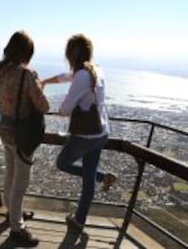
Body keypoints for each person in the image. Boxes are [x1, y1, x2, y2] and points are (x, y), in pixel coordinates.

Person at [0, 30, 49, 247]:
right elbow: (44, 106)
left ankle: (13, 213)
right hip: (23, 135)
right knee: (21, 183)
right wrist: (39, 89)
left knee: (10, 175)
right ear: (27, 52)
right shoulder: (27, 74)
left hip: (5, 131)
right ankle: (17, 229)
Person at [41, 34, 117, 231]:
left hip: (85, 135)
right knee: (88, 176)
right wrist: (46, 81)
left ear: (70, 55)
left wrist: (55, 106)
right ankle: (80, 219)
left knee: (63, 163)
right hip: (102, 132)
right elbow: (68, 77)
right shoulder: (96, 70)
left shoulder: (82, 75)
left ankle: (101, 177)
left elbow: (65, 109)